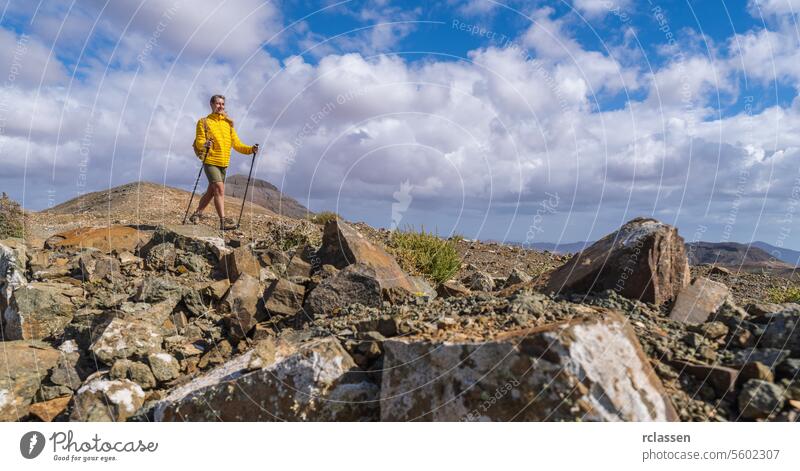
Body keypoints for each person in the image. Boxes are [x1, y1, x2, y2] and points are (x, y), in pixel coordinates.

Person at [188, 94, 259, 230]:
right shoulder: (203, 122)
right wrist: (205, 143)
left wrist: (250, 149)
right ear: (212, 105)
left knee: (212, 192)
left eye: (222, 104)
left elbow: (236, 144)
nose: (221, 106)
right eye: (218, 103)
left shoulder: (228, 124)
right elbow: (199, 140)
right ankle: (223, 221)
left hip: (224, 162)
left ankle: (197, 214)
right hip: (210, 159)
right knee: (219, 189)